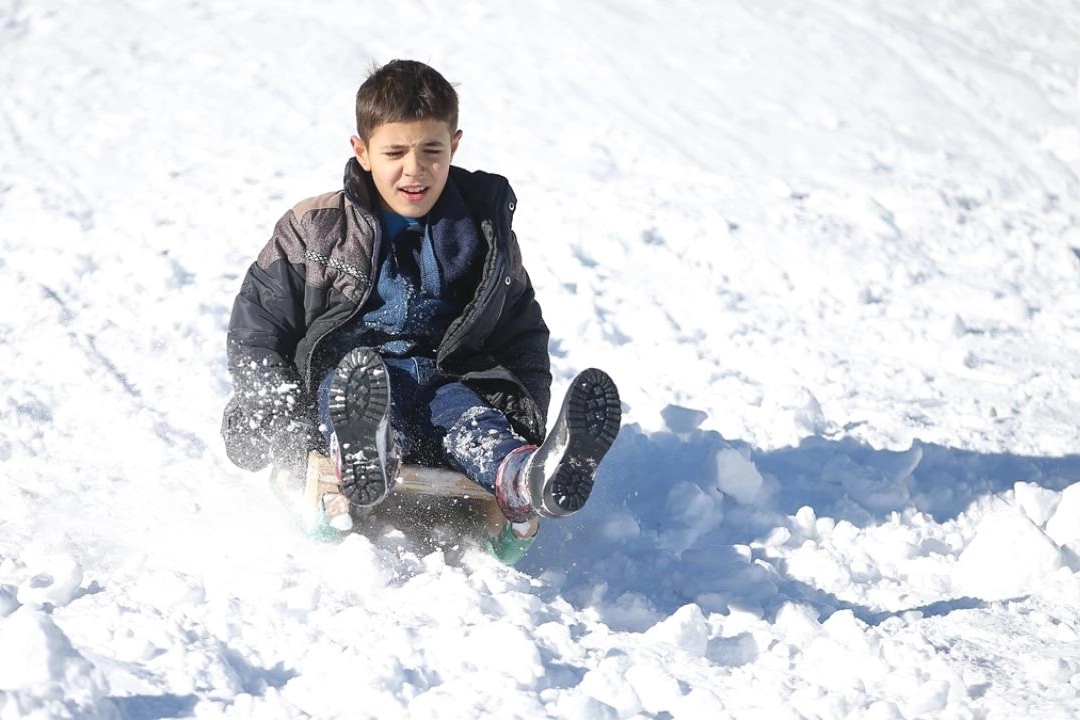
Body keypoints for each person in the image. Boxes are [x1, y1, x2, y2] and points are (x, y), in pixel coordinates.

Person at [221, 59, 621, 528]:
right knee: (353, 394)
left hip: (445, 378)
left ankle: (527, 475)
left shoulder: (483, 235)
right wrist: (279, 411)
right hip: (351, 379)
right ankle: (370, 452)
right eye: (395, 153)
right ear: (363, 151)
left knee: (474, 423)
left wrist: (524, 415)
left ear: (454, 146)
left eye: (431, 150)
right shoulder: (317, 228)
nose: (415, 170)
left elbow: (522, 332)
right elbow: (259, 327)